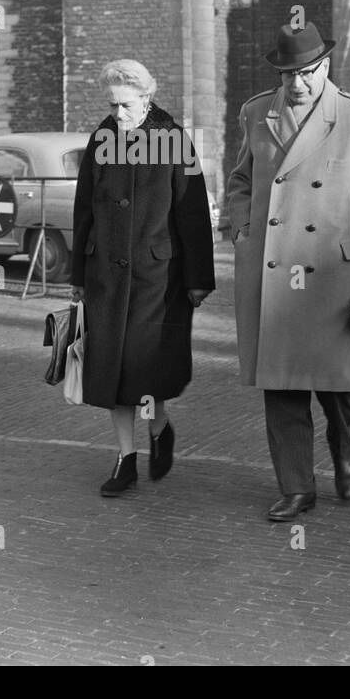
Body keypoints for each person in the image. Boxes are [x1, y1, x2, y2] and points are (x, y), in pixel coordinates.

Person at [227, 22, 350, 522]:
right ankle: (297, 487)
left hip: (332, 274)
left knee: (336, 386)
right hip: (274, 270)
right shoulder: (256, 113)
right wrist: (243, 229)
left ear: (326, 65)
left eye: (307, 71)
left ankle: (344, 447)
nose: (298, 84)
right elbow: (240, 180)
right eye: (288, 74)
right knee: (281, 386)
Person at [70, 59, 216, 496]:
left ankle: (161, 425)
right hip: (106, 279)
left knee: (145, 368)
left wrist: (198, 279)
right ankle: (125, 459)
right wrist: (78, 273)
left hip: (159, 278)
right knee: (113, 371)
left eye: (125, 106)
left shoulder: (172, 140)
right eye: (112, 105)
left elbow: (192, 214)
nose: (117, 114)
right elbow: (83, 211)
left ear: (146, 98)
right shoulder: (102, 140)